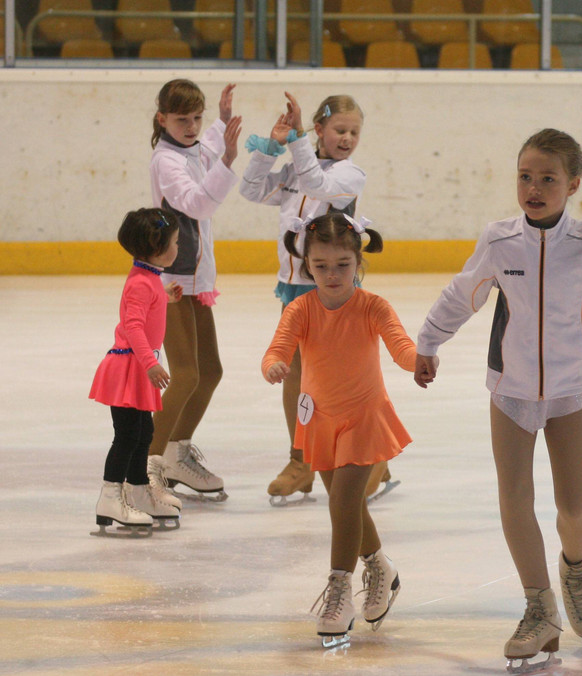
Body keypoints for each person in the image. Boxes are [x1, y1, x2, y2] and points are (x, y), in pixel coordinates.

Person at [413, 129, 582, 671]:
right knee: (514, 497)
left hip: (571, 391)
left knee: (572, 506)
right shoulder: (499, 239)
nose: (534, 188)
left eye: (548, 179)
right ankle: (539, 606)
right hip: (510, 389)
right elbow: (461, 294)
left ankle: (575, 565)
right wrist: (428, 343)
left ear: (573, 185)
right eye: (525, 177)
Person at [260, 212, 416, 647]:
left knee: (344, 500)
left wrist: (418, 361)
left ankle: (339, 590)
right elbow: (278, 348)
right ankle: (380, 567)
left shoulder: (372, 306)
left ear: (358, 262)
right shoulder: (301, 308)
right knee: (343, 504)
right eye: (322, 265)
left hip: (363, 419)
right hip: (318, 420)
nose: (332, 274)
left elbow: (401, 346)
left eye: (342, 265)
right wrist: (273, 365)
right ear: (306, 263)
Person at [240, 93, 397, 507]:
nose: (347, 138)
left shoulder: (350, 174)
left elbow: (317, 184)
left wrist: (296, 141)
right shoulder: (295, 167)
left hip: (334, 290)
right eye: (339, 130)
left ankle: (371, 457)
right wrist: (273, 146)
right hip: (293, 288)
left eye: (354, 132)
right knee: (295, 377)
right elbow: (252, 190)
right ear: (320, 129)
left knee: (345, 380)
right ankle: (301, 460)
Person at [145, 79, 241, 503]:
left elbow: (206, 147)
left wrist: (219, 122)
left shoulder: (194, 147)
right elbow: (198, 204)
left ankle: (175, 454)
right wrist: (230, 161)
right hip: (173, 283)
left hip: (197, 281)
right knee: (185, 374)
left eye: (196, 118)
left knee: (211, 371)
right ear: (162, 119)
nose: (191, 126)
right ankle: (143, 465)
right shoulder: (166, 161)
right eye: (182, 119)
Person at [89, 208, 184, 537]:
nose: (178, 247)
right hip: (130, 368)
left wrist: (166, 297)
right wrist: (150, 363)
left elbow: (147, 307)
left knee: (143, 433)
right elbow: (133, 326)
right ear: (156, 247)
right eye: (174, 242)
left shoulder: (149, 279)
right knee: (127, 436)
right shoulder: (141, 284)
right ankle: (110, 497)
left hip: (136, 367)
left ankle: (139, 491)